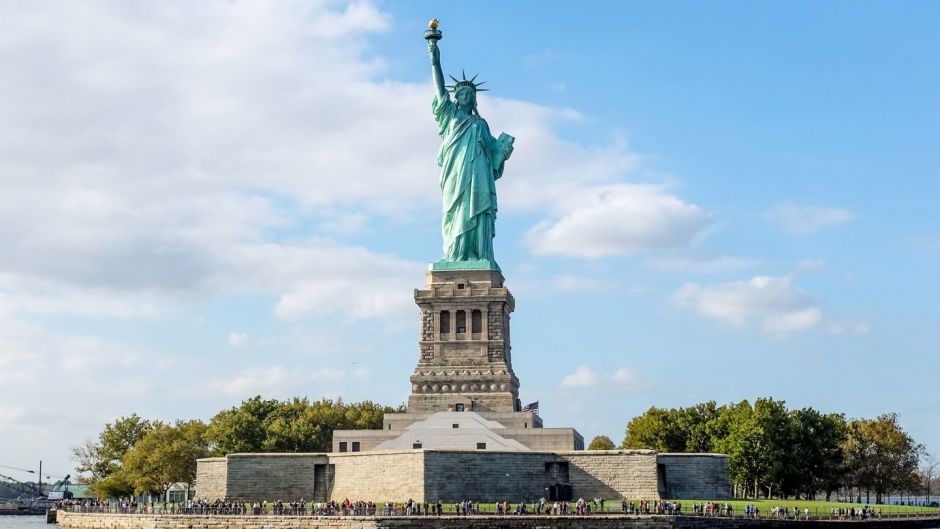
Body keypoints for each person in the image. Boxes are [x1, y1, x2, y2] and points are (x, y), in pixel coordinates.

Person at [427, 37, 513, 263]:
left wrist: (503, 150)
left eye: (469, 95)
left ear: (474, 99)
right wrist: (435, 59)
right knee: (455, 212)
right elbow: (439, 89)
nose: (465, 97)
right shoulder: (450, 116)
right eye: (461, 94)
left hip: (479, 176)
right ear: (456, 97)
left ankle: (478, 254)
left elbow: (494, 155)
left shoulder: (481, 124)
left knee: (476, 210)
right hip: (455, 174)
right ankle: (455, 255)